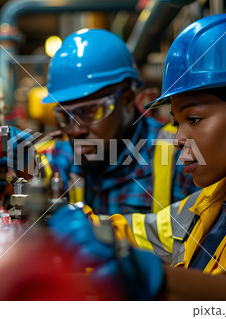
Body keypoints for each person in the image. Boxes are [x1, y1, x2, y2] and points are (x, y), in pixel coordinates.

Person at [49, 14, 226, 300]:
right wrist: (72, 224)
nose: (179, 139)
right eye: (176, 123)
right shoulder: (209, 202)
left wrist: (155, 279)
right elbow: (135, 231)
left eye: (194, 119)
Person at [38, 28, 198, 215]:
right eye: (65, 116)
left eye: (90, 111)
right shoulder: (62, 157)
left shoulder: (180, 157)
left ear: (127, 100)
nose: (75, 130)